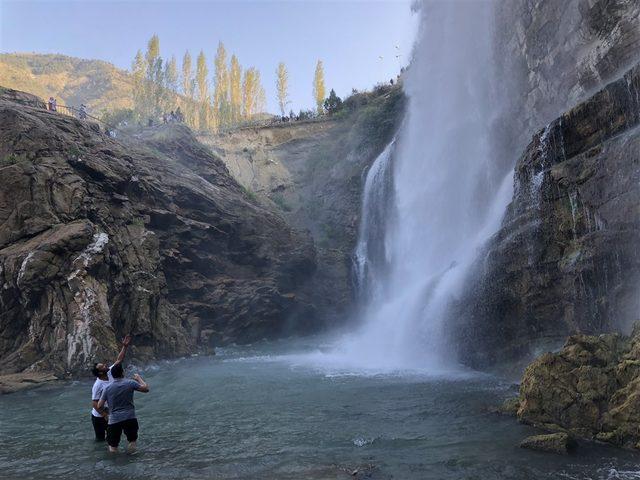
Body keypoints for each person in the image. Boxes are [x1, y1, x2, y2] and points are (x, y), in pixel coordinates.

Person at [97, 363, 150, 453]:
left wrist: (107, 412)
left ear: (112, 375)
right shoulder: (130, 383)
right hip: (130, 417)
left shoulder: (107, 388)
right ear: (122, 373)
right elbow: (146, 389)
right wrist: (138, 378)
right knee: (132, 441)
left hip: (114, 419)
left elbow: (99, 406)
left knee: (113, 446)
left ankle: (116, 463)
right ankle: (131, 460)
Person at [90, 335, 132, 442]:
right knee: (100, 440)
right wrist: (104, 415)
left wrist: (125, 347)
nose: (105, 365)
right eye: (102, 366)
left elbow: (119, 359)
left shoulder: (110, 372)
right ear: (100, 372)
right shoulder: (98, 385)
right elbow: (94, 403)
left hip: (110, 412)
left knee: (111, 438)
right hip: (99, 416)